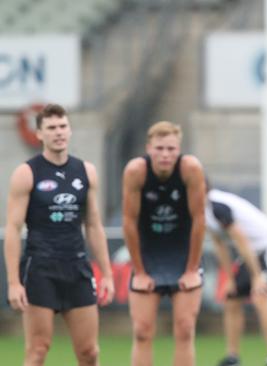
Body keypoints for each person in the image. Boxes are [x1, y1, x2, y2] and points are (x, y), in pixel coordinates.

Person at [4, 103, 115, 366]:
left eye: (63, 126)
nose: (58, 132)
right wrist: (13, 282)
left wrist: (107, 273)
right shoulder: (27, 173)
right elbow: (13, 228)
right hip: (41, 267)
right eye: (51, 128)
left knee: (90, 352)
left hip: (77, 267)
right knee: (38, 350)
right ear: (40, 134)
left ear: (70, 130)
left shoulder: (86, 171)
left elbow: (93, 225)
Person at [122, 121, 206, 366]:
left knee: (185, 329)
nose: (165, 155)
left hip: (183, 255)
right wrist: (139, 271)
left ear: (179, 149)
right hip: (148, 256)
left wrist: (191, 269)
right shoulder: (135, 171)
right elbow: (129, 222)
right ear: (149, 148)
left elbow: (200, 219)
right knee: (142, 331)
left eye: (171, 149)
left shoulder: (190, 169)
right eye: (159, 148)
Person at [205, 186, 267, 366]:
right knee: (232, 299)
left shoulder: (217, 206)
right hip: (252, 252)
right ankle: (232, 357)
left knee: (261, 296)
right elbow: (219, 244)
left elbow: (241, 240)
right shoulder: (199, 210)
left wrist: (257, 276)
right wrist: (229, 278)